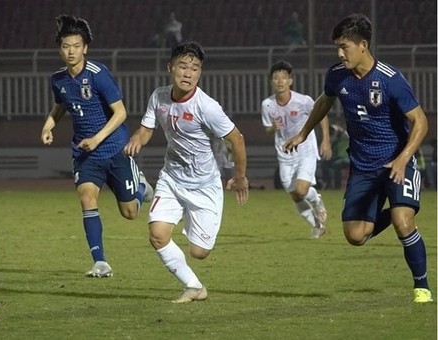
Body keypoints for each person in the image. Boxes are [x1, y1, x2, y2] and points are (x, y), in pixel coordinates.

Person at [283, 14, 433, 303]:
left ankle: (422, 286)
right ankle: (397, 212)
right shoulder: (337, 75)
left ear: (363, 45)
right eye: (337, 48)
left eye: (344, 46)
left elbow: (421, 121)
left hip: (396, 163)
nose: (340, 53)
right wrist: (304, 133)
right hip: (363, 167)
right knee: (355, 236)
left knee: (404, 222)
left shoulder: (391, 80)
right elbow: (325, 100)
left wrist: (403, 158)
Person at [124, 41, 249, 303]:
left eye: (195, 69)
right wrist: (137, 137)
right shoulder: (159, 97)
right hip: (171, 179)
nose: (188, 73)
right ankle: (194, 287)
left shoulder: (207, 107)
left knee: (199, 252)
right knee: (157, 235)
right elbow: (147, 128)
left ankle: (192, 235)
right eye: (183, 66)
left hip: (204, 185)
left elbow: (236, 138)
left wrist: (239, 176)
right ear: (170, 67)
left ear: (200, 73)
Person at [40, 14, 153, 279]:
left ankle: (141, 186)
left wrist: (97, 138)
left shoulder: (98, 74)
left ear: (85, 48)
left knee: (130, 213)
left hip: (114, 149)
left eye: (76, 46)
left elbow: (121, 113)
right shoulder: (58, 79)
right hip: (85, 154)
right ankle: (100, 262)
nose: (71, 51)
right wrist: (48, 125)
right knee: (87, 197)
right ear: (60, 48)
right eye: (66, 46)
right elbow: (60, 106)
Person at [261, 60, 331, 239]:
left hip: (305, 150)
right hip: (284, 155)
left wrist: (326, 140)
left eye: (283, 78)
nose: (280, 81)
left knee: (301, 189)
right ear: (271, 81)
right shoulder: (267, 105)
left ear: (290, 81)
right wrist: (273, 128)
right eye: (276, 78)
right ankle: (317, 226)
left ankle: (317, 201)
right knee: (295, 196)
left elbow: (321, 114)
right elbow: (267, 130)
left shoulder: (303, 101)